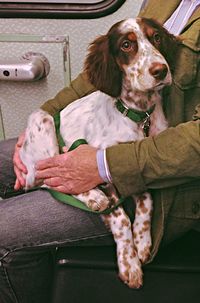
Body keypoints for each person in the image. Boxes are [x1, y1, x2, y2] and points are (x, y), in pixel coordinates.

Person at [0, 0, 200, 302]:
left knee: (5, 230)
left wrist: (102, 165)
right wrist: (44, 118)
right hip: (117, 135)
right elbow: (102, 70)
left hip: (167, 185)